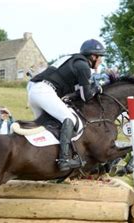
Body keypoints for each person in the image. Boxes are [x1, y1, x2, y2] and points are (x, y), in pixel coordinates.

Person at [28, 39, 105, 171]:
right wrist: (97, 89)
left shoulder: (73, 61)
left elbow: (75, 94)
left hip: (35, 90)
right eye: (101, 57)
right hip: (44, 91)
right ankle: (64, 160)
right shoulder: (83, 66)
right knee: (69, 119)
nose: (101, 61)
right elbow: (85, 96)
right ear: (93, 56)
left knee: (47, 127)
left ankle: (42, 158)